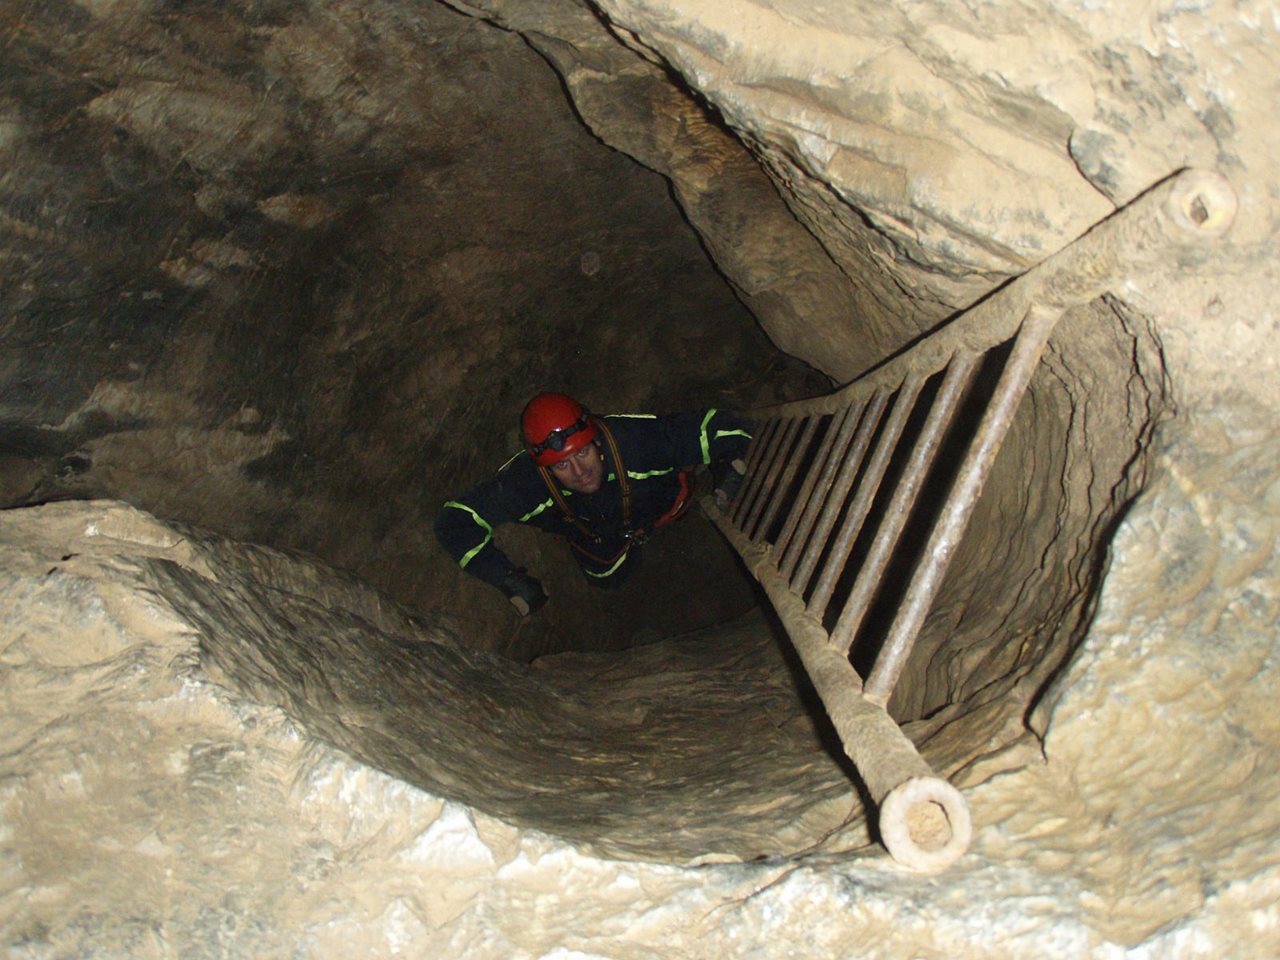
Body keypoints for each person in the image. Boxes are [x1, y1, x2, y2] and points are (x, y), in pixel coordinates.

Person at [434, 392, 751, 615]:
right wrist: (506, 577)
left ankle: (693, 486)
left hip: (658, 503)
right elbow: (454, 521)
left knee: (676, 499)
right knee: (607, 580)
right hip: (599, 535)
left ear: (596, 439)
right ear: (544, 467)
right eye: (562, 465)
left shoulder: (634, 443)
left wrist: (727, 463)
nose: (579, 472)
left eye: (583, 453)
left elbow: (726, 424)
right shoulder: (527, 485)